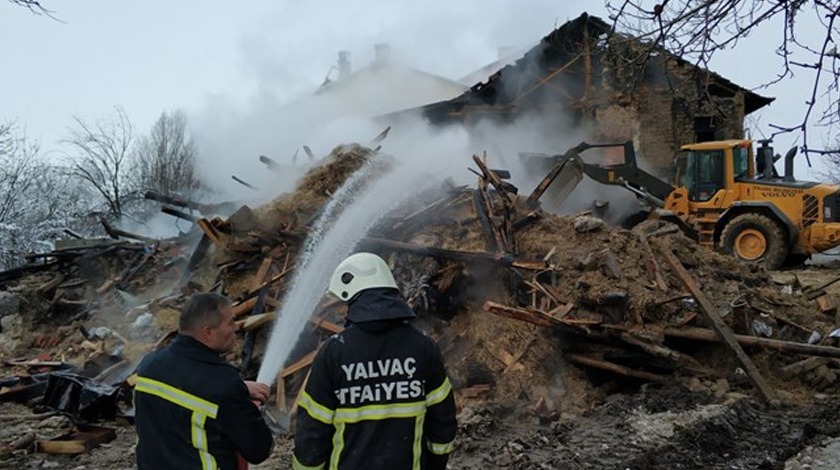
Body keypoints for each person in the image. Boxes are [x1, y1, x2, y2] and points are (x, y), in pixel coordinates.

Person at [293, 252, 457, 470]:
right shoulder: (423, 348)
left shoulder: (334, 352)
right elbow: (443, 422)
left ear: (352, 297)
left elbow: (312, 432)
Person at [134, 292, 274, 470]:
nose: (237, 328)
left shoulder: (150, 365)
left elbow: (185, 392)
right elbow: (259, 450)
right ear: (208, 332)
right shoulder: (224, 384)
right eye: (230, 322)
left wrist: (239, 389)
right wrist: (239, 398)